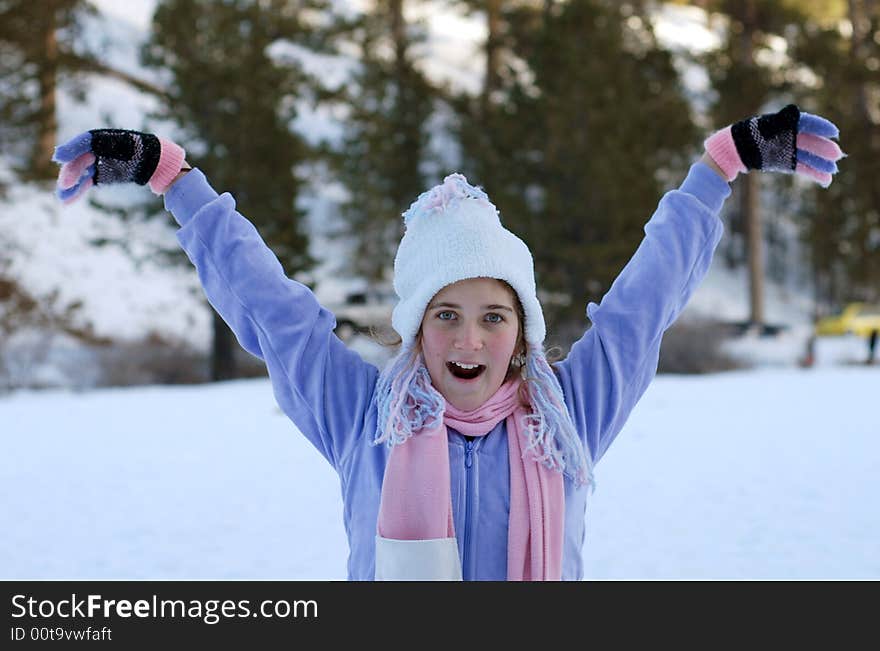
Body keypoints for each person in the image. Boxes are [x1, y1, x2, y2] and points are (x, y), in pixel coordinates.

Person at [52, 105, 843, 581]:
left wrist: (722, 165)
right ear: (416, 328)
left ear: (522, 330)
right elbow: (273, 311)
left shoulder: (569, 417)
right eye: (445, 314)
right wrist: (172, 178)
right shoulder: (364, 417)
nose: (469, 337)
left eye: (494, 315)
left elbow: (643, 302)